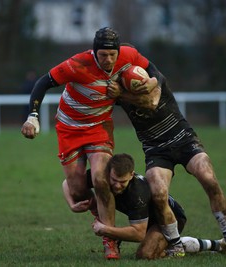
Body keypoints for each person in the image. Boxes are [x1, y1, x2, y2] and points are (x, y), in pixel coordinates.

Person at [20, 27, 159, 259]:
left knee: (100, 178)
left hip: (99, 127)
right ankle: (100, 214)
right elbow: (43, 82)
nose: (109, 59)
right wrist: (32, 117)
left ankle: (110, 239)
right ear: (95, 53)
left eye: (112, 54)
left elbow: (154, 71)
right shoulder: (77, 64)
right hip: (69, 128)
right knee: (77, 191)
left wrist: (152, 83)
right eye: (103, 55)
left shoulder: (128, 55)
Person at [107, 49, 226, 256]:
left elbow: (152, 102)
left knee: (208, 178)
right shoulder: (121, 89)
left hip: (183, 138)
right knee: (157, 192)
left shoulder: (157, 80)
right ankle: (176, 245)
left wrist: (122, 94)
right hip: (155, 149)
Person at [62, 153, 226, 259]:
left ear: (131, 175)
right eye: (114, 180)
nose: (117, 186)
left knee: (146, 255)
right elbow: (68, 184)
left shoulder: (137, 194)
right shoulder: (102, 179)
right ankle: (212, 245)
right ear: (108, 173)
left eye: (123, 182)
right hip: (145, 221)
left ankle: (214, 244)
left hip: (168, 219)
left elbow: (138, 233)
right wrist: (72, 205)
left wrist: (105, 230)